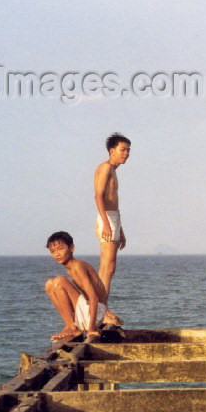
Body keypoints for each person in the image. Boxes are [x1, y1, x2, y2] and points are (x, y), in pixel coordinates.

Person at [44, 231, 110, 342]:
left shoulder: (78, 266)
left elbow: (94, 297)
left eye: (60, 249)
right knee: (49, 285)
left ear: (71, 248)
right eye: (52, 251)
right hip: (89, 312)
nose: (57, 254)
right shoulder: (71, 269)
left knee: (60, 281)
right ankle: (69, 325)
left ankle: (72, 328)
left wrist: (91, 328)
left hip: (96, 313)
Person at [94, 132, 129, 326]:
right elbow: (98, 196)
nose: (126, 154)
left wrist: (120, 227)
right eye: (123, 150)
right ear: (112, 150)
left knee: (107, 268)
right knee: (108, 268)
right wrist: (107, 223)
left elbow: (113, 200)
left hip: (113, 218)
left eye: (128, 150)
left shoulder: (114, 171)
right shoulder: (105, 168)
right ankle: (103, 311)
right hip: (107, 218)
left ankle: (101, 309)